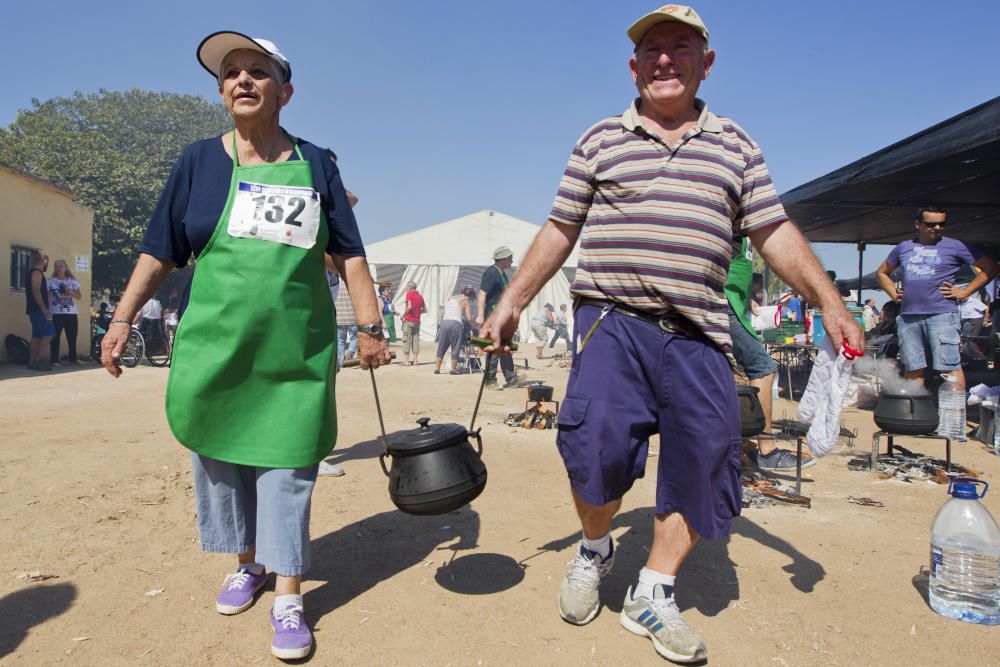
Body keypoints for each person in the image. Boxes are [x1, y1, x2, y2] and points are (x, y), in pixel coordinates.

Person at [479, 6, 862, 661]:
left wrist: (828, 299)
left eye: (679, 47)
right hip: (613, 322)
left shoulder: (737, 144)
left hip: (698, 333)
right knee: (593, 446)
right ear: (633, 66)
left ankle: (653, 588)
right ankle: (595, 547)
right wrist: (513, 300)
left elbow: (772, 231)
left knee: (708, 455)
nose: (664, 59)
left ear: (704, 63)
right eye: (651, 49)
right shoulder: (599, 138)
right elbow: (560, 228)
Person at [99, 31, 389, 661]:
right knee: (222, 456)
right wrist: (121, 318)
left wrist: (369, 327)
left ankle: (289, 593)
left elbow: (351, 253)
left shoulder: (318, 164)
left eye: (258, 71)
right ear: (222, 91)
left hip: (293, 350)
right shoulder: (198, 162)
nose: (243, 81)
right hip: (217, 344)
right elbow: (160, 250)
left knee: (287, 466)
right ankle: (249, 564)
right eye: (231, 73)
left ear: (285, 91)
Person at [876, 206, 999, 391]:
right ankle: (913, 414)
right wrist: (893, 294)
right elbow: (882, 273)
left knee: (949, 368)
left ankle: (953, 417)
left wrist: (964, 292)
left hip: (942, 315)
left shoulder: (955, 246)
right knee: (913, 367)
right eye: (931, 224)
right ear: (918, 224)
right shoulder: (904, 247)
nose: (937, 228)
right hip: (909, 316)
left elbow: (990, 267)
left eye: (941, 224)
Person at [725, 237, 812, 471]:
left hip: (731, 304)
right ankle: (767, 450)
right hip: (724, 306)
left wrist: (748, 299)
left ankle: (724, 446)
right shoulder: (730, 220)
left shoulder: (742, 234)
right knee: (763, 367)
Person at [476, 246, 519, 389]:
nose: (512, 260)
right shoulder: (491, 273)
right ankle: (490, 380)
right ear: (502, 259)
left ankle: (511, 378)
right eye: (509, 258)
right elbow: (482, 294)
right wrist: (481, 316)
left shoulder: (501, 273)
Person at [48, 259, 85, 366]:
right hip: (56, 313)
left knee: (72, 337)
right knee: (55, 337)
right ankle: (54, 359)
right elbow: (45, 296)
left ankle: (73, 358)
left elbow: (79, 297)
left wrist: (71, 292)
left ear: (66, 268)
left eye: (61, 266)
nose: (59, 268)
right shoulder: (50, 281)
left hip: (71, 313)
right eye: (57, 266)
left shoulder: (72, 281)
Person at [434, 286, 474, 374]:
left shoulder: (451, 299)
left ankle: (437, 368)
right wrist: (476, 325)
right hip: (455, 323)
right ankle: (453, 369)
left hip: (444, 323)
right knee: (455, 347)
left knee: (442, 346)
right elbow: (469, 318)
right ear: (471, 295)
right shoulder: (465, 301)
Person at [25, 250, 54, 371]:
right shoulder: (36, 273)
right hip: (38, 310)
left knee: (37, 335)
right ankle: (37, 360)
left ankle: (32, 361)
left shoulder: (34, 273)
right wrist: (44, 309)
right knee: (49, 333)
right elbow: (35, 291)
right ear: (44, 261)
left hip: (34, 309)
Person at [959, 287, 988, 361]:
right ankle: (970, 357)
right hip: (965, 321)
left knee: (970, 339)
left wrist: (985, 319)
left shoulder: (974, 301)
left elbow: (986, 308)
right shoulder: (961, 302)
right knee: (965, 339)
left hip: (974, 320)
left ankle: (979, 356)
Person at [401, 280, 426, 365]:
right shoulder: (420, 296)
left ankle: (406, 360)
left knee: (406, 339)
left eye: (406, 287)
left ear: (410, 287)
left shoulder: (409, 294)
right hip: (417, 321)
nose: (405, 288)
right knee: (415, 340)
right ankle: (415, 360)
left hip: (409, 320)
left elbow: (409, 307)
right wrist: (418, 312)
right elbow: (425, 310)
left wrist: (403, 315)